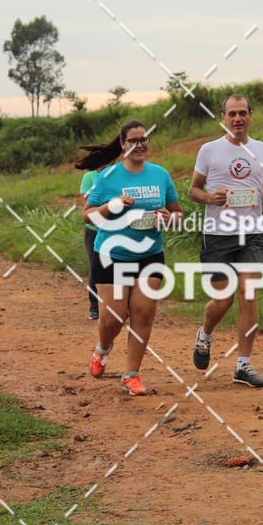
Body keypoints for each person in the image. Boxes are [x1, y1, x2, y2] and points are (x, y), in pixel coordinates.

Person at [79, 120, 183, 396]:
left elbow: (178, 215)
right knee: (114, 317)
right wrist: (112, 206)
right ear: (123, 145)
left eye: (144, 139)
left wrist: (169, 218)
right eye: (133, 140)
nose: (140, 145)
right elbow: (87, 214)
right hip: (112, 254)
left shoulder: (160, 175)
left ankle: (131, 375)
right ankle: (103, 348)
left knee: (144, 313)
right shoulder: (110, 176)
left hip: (149, 255)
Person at [189, 94, 263, 387]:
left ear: (251, 116)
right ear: (223, 117)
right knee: (223, 300)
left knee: (249, 294)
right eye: (232, 114)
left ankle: (243, 365)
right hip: (218, 235)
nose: (238, 119)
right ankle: (205, 333)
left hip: (252, 233)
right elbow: (193, 190)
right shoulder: (209, 150)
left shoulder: (261, 149)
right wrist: (210, 197)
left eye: (243, 113)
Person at [76, 166, 100, 319]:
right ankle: (95, 307)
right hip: (93, 229)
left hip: (115, 228)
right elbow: (87, 203)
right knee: (95, 266)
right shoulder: (89, 177)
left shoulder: (117, 174)